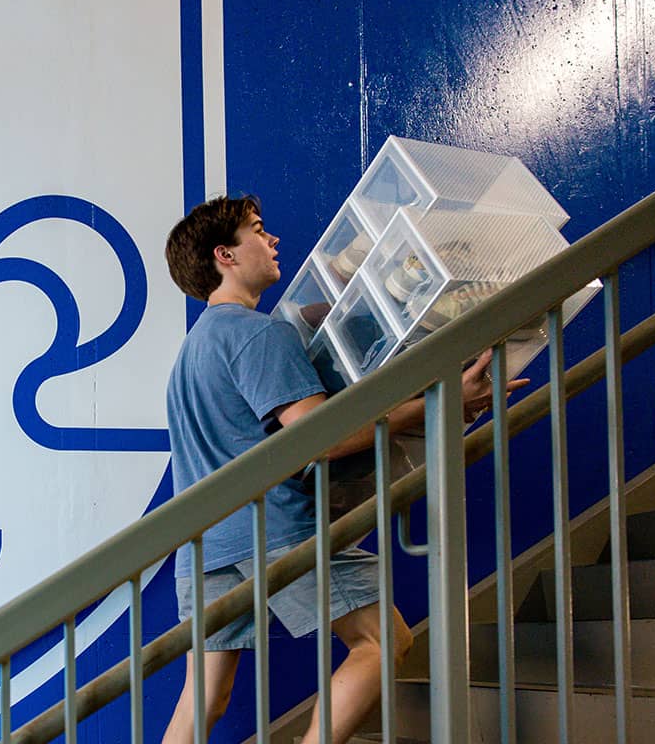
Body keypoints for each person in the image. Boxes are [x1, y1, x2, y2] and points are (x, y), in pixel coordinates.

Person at [161, 195, 528, 744]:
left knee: (206, 697)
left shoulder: (192, 351)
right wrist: (440, 401)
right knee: (383, 641)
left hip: (203, 545)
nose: (273, 240)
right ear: (226, 255)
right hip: (274, 531)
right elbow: (318, 438)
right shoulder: (257, 334)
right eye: (258, 231)